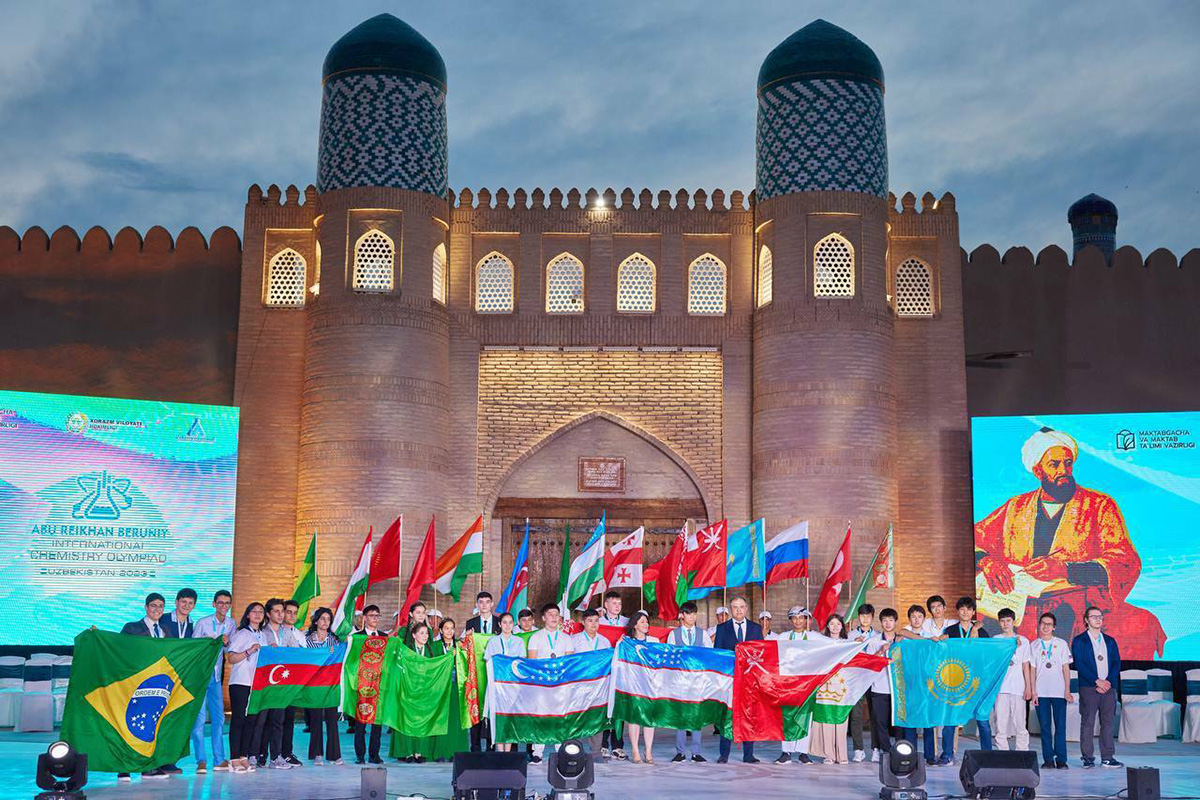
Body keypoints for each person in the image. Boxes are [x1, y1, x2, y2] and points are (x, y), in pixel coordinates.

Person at [975, 427, 1164, 657]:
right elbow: (976, 537)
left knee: (1139, 624)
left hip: (1082, 606)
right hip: (1021, 606)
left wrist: (1065, 569)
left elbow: (1125, 561)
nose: (1063, 470)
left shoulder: (1100, 505)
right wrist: (987, 562)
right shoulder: (1016, 507)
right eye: (1054, 465)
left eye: (1067, 463)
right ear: (1038, 470)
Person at [116, 594, 171, 781]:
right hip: (134, 684)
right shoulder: (131, 627)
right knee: (128, 724)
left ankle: (148, 767)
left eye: (161, 606)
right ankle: (124, 767)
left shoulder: (165, 631)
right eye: (154, 606)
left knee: (150, 726)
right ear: (146, 607)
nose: (157, 609)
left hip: (155, 687)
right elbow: (119, 649)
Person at [940, 597, 992, 763]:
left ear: (973, 612)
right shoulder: (950, 631)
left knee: (982, 719)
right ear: (958, 611)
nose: (965, 612)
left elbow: (988, 654)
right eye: (962, 609)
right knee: (951, 719)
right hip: (956, 680)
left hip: (977, 680)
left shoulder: (982, 632)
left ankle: (987, 755)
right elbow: (943, 653)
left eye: (968, 609)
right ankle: (947, 755)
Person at [1071, 606, 1122, 768]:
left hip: (1108, 687)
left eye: (1100, 616)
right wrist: (1096, 681)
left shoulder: (1110, 640)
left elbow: (1116, 663)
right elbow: (1079, 664)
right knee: (1088, 722)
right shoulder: (1079, 640)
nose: (1098, 619)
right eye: (1094, 617)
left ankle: (1107, 757)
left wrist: (1108, 682)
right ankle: (1088, 758)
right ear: (1086, 620)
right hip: (1089, 687)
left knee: (1107, 723)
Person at [191, 590, 236, 774]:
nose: (223, 606)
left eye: (227, 603)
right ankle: (201, 760)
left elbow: (230, 649)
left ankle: (219, 759)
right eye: (220, 603)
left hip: (217, 677)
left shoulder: (232, 623)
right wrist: (206, 641)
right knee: (199, 719)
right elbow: (192, 648)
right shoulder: (203, 622)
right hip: (201, 676)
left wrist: (226, 643)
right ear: (214, 604)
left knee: (219, 718)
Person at [252, 598, 298, 770]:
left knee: (278, 720)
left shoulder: (287, 633)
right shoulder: (262, 632)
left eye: (282, 611)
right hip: (264, 683)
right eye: (277, 611)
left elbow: (297, 652)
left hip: (281, 685)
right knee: (261, 720)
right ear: (269, 613)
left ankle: (276, 756)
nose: (281, 615)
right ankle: (258, 755)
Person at [714, 596, 762, 764]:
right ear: (730, 609)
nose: (739, 610)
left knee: (749, 716)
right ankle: (724, 754)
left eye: (741, 607)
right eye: (735, 607)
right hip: (729, 680)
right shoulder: (722, 629)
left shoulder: (756, 628)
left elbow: (761, 654)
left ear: (746, 608)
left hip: (750, 681)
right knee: (727, 715)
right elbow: (718, 655)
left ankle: (748, 754)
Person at [527, 603, 576, 763]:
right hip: (541, 684)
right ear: (543, 618)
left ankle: (561, 748)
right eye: (550, 614)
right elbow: (532, 662)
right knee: (540, 716)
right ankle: (537, 751)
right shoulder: (536, 637)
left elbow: (569, 662)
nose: (554, 617)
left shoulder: (566, 638)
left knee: (560, 716)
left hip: (560, 685)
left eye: (556, 614)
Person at [775, 606, 823, 765]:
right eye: (794, 618)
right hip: (787, 683)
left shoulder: (813, 637)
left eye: (801, 618)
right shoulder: (783, 637)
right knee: (787, 716)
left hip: (807, 683)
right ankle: (786, 752)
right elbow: (768, 648)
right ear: (790, 620)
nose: (798, 621)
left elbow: (833, 644)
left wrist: (851, 643)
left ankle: (803, 752)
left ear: (806, 620)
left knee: (805, 716)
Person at [668, 601, 712, 763]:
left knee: (696, 716)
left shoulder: (703, 634)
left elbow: (709, 654)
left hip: (697, 680)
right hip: (680, 680)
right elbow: (670, 657)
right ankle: (680, 751)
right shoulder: (674, 634)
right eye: (689, 614)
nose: (692, 617)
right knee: (680, 716)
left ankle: (696, 751)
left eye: (694, 614)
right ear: (682, 615)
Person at [227, 602, 265, 774]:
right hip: (240, 682)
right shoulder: (242, 633)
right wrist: (249, 651)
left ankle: (244, 756)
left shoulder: (263, 635)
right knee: (238, 720)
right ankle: (234, 758)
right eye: (254, 611)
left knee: (251, 721)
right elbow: (231, 658)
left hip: (256, 684)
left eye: (261, 611)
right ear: (248, 615)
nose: (257, 614)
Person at [1031, 612, 1073, 770]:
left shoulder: (1061, 644)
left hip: (1059, 692)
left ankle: (1061, 760)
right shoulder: (1034, 645)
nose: (1046, 626)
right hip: (1041, 693)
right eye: (1043, 623)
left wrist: (1067, 691)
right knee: (1045, 728)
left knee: (1060, 727)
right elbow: (1032, 670)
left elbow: (1066, 668)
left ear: (1054, 627)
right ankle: (1048, 759)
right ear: (1039, 625)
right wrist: (1034, 692)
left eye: (1049, 624)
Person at [809, 614, 851, 764]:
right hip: (824, 685)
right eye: (831, 624)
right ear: (827, 626)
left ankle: (842, 754)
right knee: (826, 718)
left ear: (842, 627)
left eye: (837, 624)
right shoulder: (822, 643)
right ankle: (829, 754)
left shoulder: (849, 644)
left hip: (842, 684)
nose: (834, 627)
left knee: (840, 718)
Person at [304, 607, 343, 766]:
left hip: (330, 684)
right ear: (316, 620)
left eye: (328, 619)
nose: (325, 622)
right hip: (314, 685)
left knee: (332, 719)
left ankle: (334, 755)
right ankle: (317, 753)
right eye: (322, 618)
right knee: (315, 719)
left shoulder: (334, 640)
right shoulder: (307, 639)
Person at [427, 618, 470, 761]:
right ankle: (440, 752)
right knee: (441, 720)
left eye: (452, 628)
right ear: (440, 630)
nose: (449, 631)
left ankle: (456, 752)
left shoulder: (459, 646)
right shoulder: (435, 646)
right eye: (446, 628)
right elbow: (432, 666)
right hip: (441, 689)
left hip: (457, 688)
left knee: (456, 721)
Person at [392, 622, 436, 763]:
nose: (425, 636)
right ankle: (407, 751)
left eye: (426, 633)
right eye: (422, 633)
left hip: (424, 690)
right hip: (408, 689)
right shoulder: (406, 650)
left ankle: (419, 751)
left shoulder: (430, 651)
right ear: (414, 635)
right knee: (407, 720)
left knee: (422, 720)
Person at [898, 605, 937, 764]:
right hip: (908, 682)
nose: (916, 619)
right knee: (910, 720)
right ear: (909, 619)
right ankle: (910, 754)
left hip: (927, 684)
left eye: (919, 616)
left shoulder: (931, 636)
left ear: (924, 619)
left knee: (928, 720)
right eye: (913, 617)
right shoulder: (903, 636)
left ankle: (930, 756)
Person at [991, 607, 1033, 752]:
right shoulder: (996, 641)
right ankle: (1002, 752)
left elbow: (1025, 665)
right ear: (999, 623)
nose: (1005, 624)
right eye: (1002, 621)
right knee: (1000, 724)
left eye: (1008, 621)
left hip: (1018, 688)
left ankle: (1022, 751)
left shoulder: (1024, 641)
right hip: (1001, 688)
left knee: (1020, 723)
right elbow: (994, 663)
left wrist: (1028, 687)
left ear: (1014, 622)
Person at [484, 613, 527, 752]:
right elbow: (488, 662)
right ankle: (499, 752)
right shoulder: (493, 642)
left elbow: (521, 663)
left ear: (513, 624)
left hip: (512, 686)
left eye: (510, 622)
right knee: (498, 718)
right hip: (497, 685)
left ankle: (507, 754)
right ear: (499, 624)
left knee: (509, 718)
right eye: (504, 622)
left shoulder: (519, 641)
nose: (507, 625)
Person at [464, 591, 501, 751]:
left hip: (495, 671)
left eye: (487, 602)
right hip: (476, 672)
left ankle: (491, 744)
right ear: (477, 605)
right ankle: (475, 744)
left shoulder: (500, 623)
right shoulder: (471, 623)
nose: (484, 605)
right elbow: (466, 646)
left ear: (492, 604)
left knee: (493, 705)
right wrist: (466, 638)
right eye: (481, 602)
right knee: (476, 704)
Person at [624, 611, 661, 764]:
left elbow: (659, 663)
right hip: (633, 684)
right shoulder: (627, 642)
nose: (646, 624)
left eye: (647, 622)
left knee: (648, 719)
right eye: (642, 622)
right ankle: (635, 749)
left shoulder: (654, 641)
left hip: (650, 684)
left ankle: (648, 750)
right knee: (634, 718)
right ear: (634, 625)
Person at [352, 605, 385, 764]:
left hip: (379, 685)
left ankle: (374, 754)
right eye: (372, 615)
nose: (375, 619)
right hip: (362, 684)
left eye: (377, 616)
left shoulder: (385, 637)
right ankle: (360, 755)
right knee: (361, 721)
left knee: (377, 722)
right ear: (364, 618)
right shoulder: (356, 637)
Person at [866, 608, 899, 762]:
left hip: (898, 689)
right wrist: (881, 650)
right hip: (879, 688)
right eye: (885, 620)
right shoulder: (874, 641)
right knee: (880, 722)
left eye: (891, 620)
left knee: (898, 722)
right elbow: (869, 663)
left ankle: (900, 749)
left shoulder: (902, 641)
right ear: (881, 622)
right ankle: (886, 751)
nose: (888, 623)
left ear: (895, 622)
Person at [597, 591, 627, 759]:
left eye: (619, 603)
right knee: (604, 706)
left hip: (621, 671)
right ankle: (602, 744)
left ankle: (618, 745)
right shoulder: (598, 622)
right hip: (604, 670)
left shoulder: (627, 623)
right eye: (613, 603)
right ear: (606, 605)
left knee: (619, 707)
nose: (617, 606)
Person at [847, 603, 878, 762]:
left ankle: (875, 749)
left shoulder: (878, 635)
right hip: (856, 679)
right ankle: (858, 749)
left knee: (875, 715)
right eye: (862, 616)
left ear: (872, 618)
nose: (865, 619)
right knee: (856, 716)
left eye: (868, 616)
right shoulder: (851, 635)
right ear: (858, 617)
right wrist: (854, 645)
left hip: (873, 679)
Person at [277, 598, 305, 766]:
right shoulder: (275, 631)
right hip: (276, 682)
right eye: (289, 612)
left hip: (293, 683)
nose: (292, 615)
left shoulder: (301, 635)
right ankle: (266, 753)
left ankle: (286, 753)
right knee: (272, 720)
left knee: (289, 720)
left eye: (295, 613)